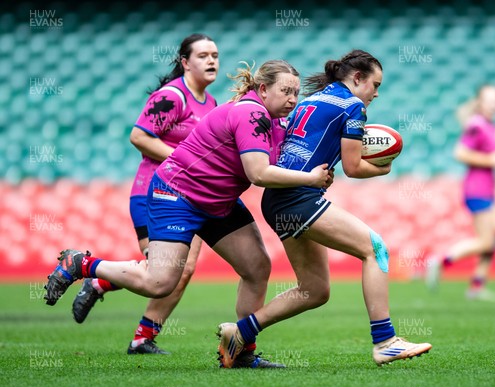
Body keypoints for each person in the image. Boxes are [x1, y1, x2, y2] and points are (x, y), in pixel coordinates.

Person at [44, 59, 330, 368]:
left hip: (217, 202)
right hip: (177, 196)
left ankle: (241, 352)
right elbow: (259, 173)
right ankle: (83, 264)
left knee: (257, 268)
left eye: (296, 93)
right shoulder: (251, 112)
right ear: (262, 89)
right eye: (286, 91)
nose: (292, 99)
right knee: (159, 283)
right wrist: (311, 179)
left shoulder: (272, 118)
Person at [216, 50, 432, 368]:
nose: (376, 92)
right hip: (298, 198)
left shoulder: (309, 100)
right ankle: (386, 342)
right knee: (375, 249)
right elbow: (354, 167)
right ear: (357, 78)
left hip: (277, 199)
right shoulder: (353, 106)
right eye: (375, 84)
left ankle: (240, 333)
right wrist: (384, 169)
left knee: (314, 289)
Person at [69, 33, 219, 356]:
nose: (211, 61)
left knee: (182, 271)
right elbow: (139, 136)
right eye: (203, 55)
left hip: (189, 197)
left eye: (215, 55)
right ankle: (93, 273)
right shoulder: (172, 96)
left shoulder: (212, 104)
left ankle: (141, 337)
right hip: (155, 194)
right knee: (159, 273)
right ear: (185, 62)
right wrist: (182, 159)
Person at [425, 84, 495, 301]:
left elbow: (494, 155)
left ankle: (477, 286)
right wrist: (492, 160)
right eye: (489, 100)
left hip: (488, 189)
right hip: (477, 190)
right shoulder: (477, 125)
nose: (494, 105)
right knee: (486, 241)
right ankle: (440, 261)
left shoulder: (488, 125)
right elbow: (460, 152)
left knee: (494, 236)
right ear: (479, 102)